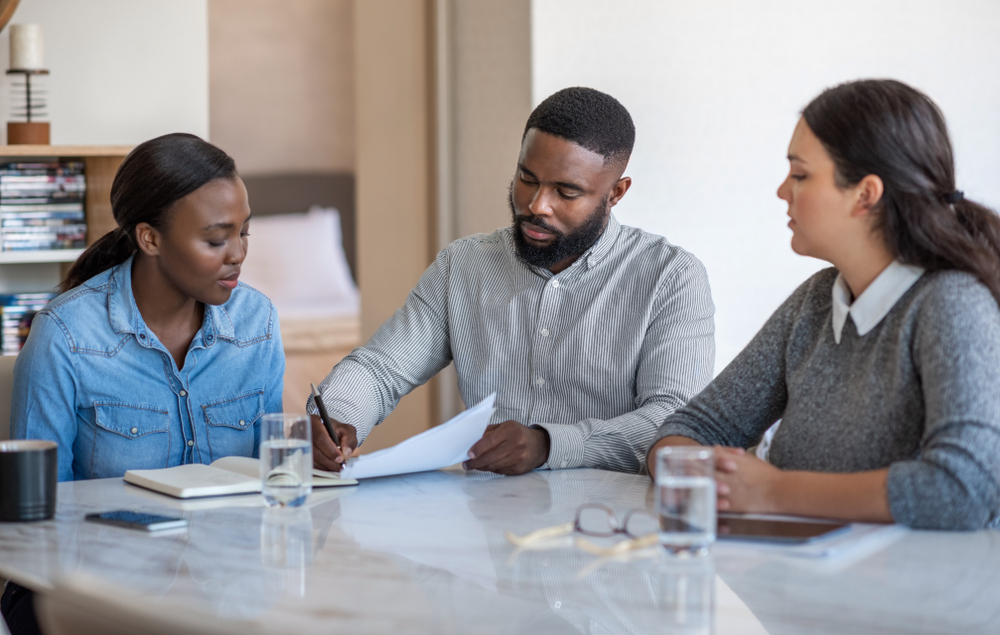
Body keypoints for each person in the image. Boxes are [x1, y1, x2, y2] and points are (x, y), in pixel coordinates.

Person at [648, 79, 1000, 530]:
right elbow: (693, 428)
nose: (782, 191)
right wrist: (703, 477)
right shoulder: (816, 300)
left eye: (800, 175)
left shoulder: (953, 303)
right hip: (802, 585)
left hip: (913, 596)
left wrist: (774, 493)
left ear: (865, 195)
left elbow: (964, 489)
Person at [311, 87, 715, 476]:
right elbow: (381, 368)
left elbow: (672, 422)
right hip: (489, 529)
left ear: (615, 194)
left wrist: (549, 445)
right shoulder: (463, 266)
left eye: (566, 192)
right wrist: (337, 416)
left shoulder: (672, 279)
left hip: (612, 532)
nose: (537, 205)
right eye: (527, 178)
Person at [11, 133, 284, 482]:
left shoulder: (257, 322)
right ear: (150, 238)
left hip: (232, 537)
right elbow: (38, 506)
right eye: (216, 240)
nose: (238, 254)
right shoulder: (64, 336)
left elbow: (272, 481)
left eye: (244, 233)